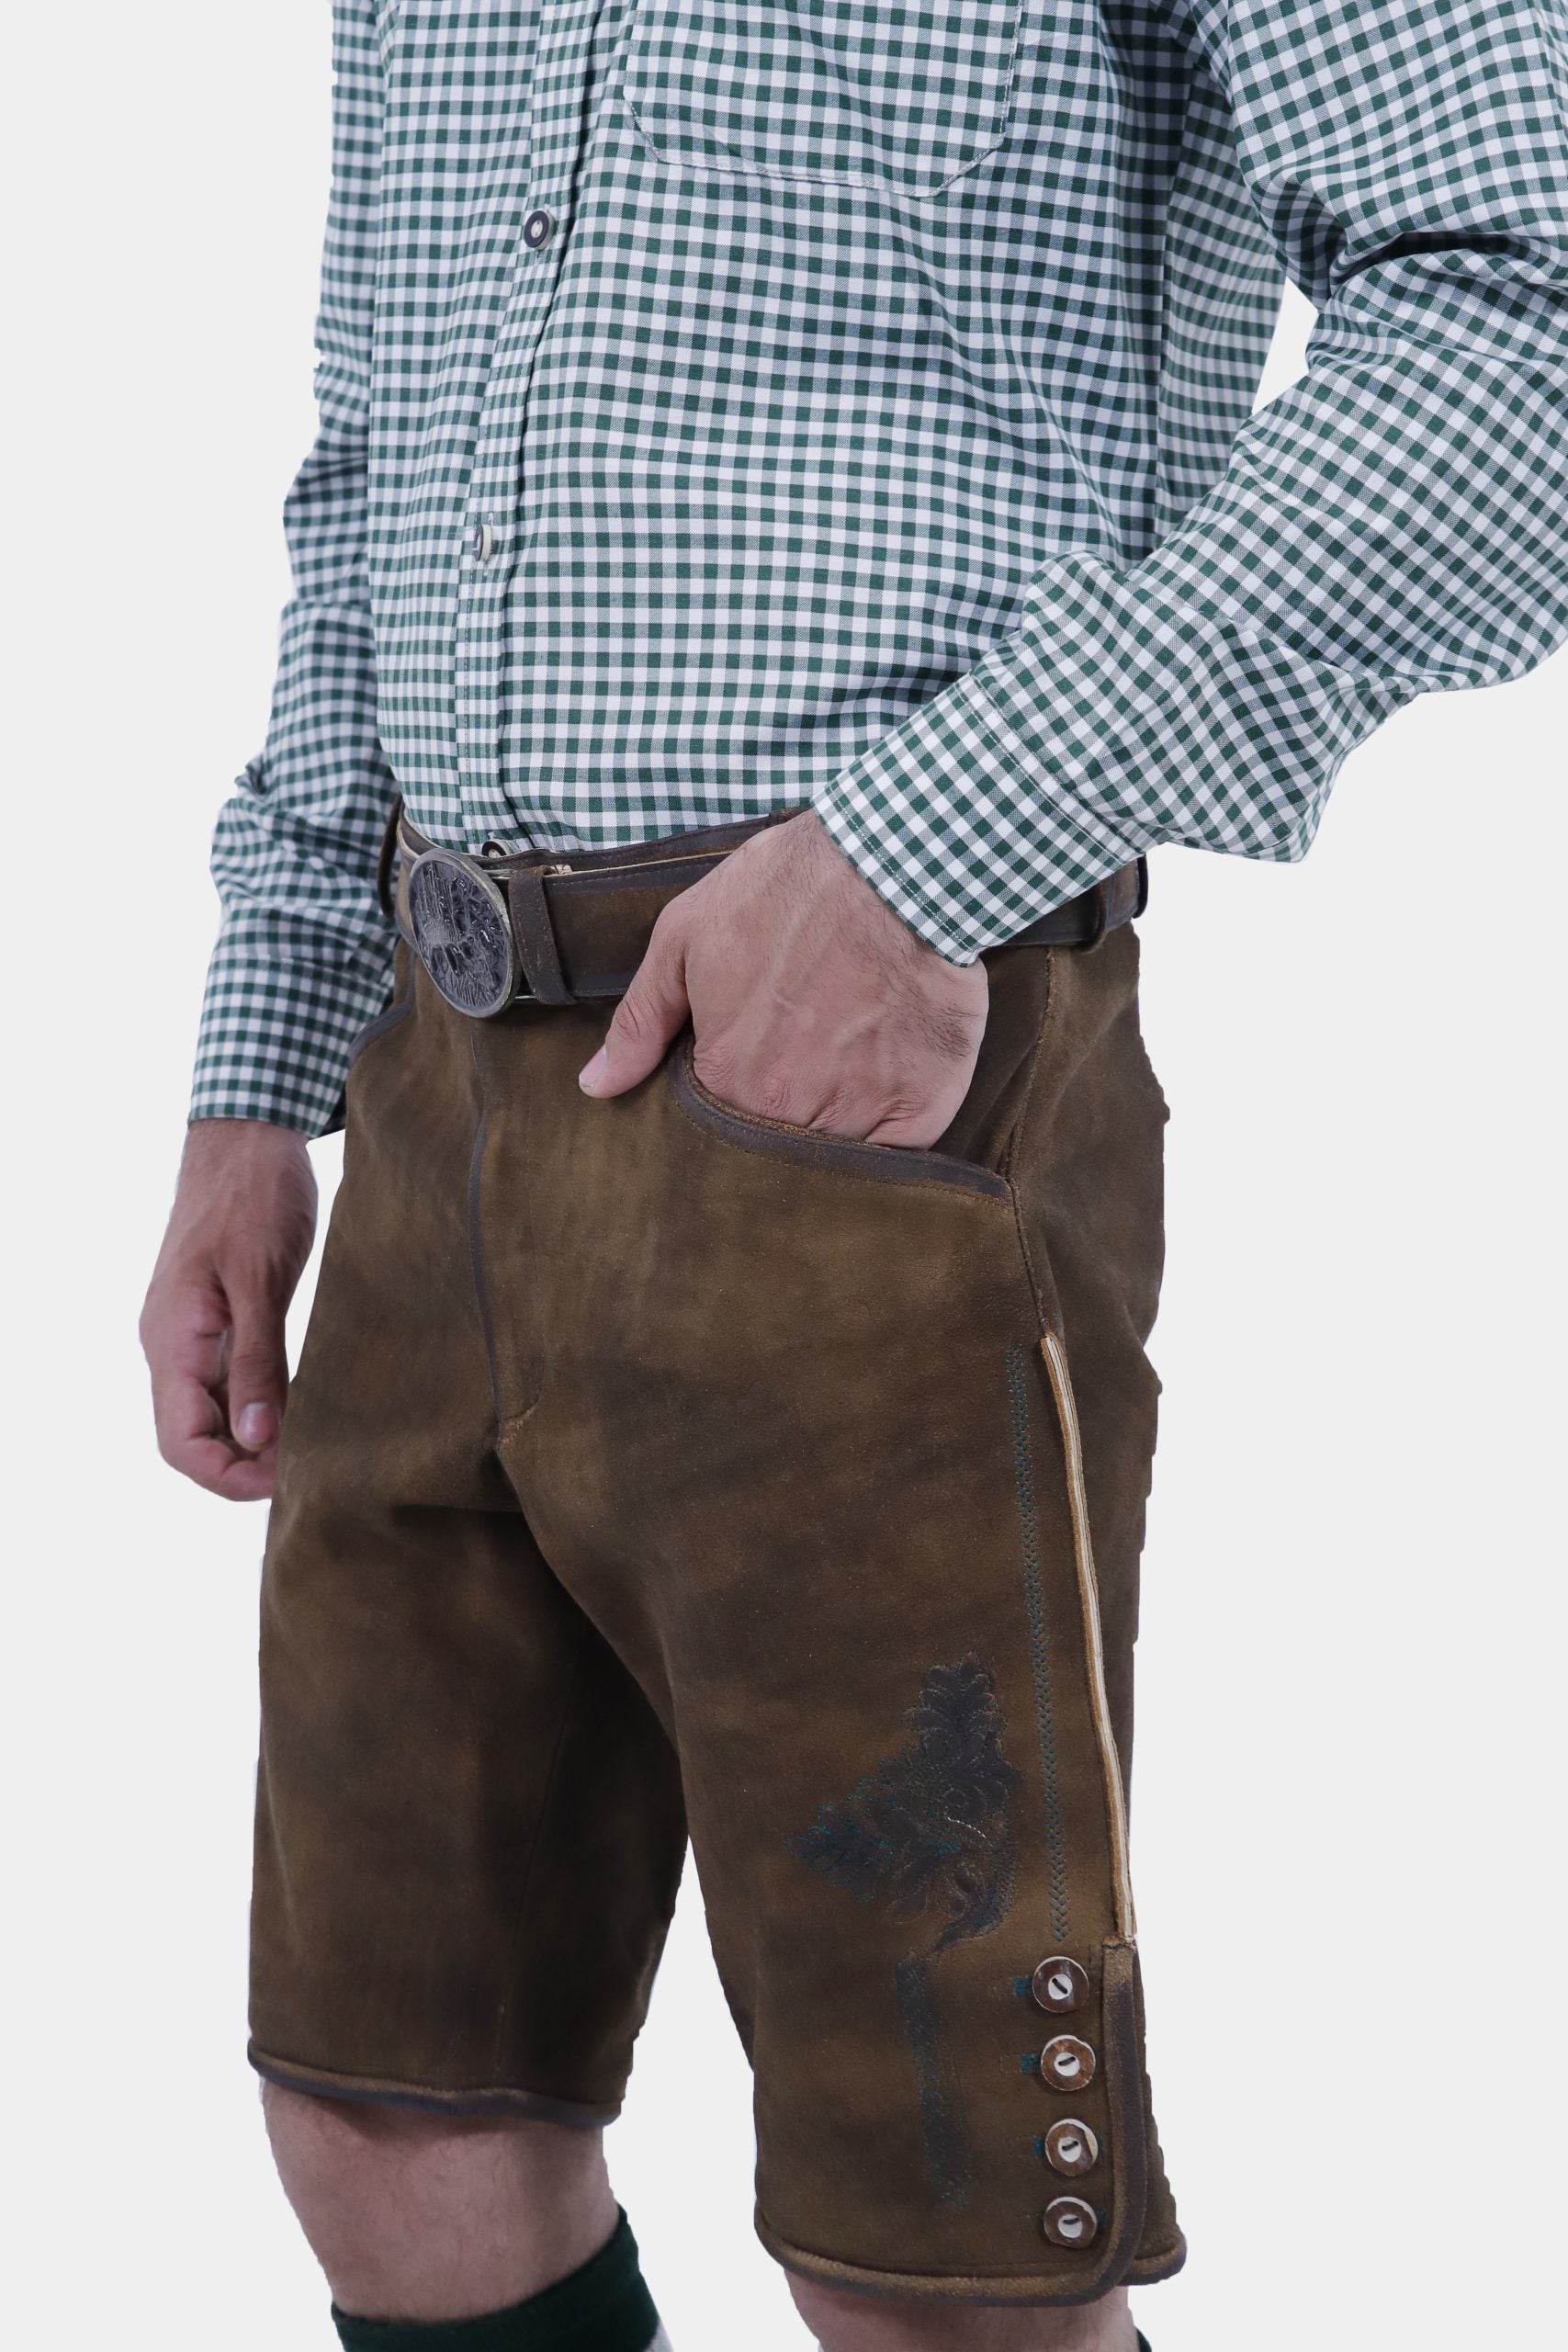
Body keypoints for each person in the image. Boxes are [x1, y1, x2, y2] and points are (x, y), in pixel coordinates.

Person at [140, 3, 1568, 2346]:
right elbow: (378, 442)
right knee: (398, 2119)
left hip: (862, 1116)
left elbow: (1516, 321)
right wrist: (259, 1049)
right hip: (427, 1085)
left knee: (934, 2258)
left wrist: (924, 844)